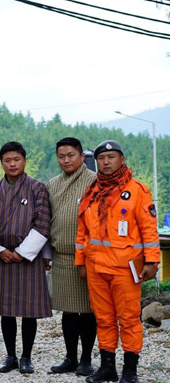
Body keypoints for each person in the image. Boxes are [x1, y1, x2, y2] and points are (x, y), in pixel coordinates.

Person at [77, 140, 159, 383]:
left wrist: (152, 261)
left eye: (111, 157)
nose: (106, 162)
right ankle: (107, 367)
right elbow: (82, 232)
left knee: (129, 319)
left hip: (125, 268)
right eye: (102, 158)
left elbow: (149, 229)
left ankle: (130, 371)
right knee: (103, 319)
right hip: (96, 268)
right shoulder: (92, 193)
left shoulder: (137, 190)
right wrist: (80, 262)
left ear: (121, 160)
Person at [0, 141, 52, 375]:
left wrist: (22, 252)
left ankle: (26, 356)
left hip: (28, 257)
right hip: (1, 256)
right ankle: (10, 355)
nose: (12, 164)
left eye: (16, 159)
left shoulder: (37, 188)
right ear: (2, 163)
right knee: (6, 310)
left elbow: (43, 223)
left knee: (29, 310)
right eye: (7, 160)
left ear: (24, 161)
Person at [44, 137, 96, 376]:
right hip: (61, 255)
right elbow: (45, 221)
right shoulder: (52, 184)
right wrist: (46, 253)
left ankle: (86, 359)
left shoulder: (94, 182)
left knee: (86, 309)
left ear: (81, 156)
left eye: (70, 155)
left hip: (87, 257)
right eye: (61, 156)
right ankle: (70, 357)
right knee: (67, 310)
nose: (66, 160)